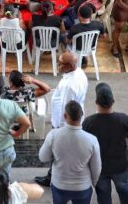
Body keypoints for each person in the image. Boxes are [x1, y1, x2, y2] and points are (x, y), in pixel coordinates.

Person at [33, 52, 88, 189]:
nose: (57, 65)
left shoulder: (69, 86)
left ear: (69, 66)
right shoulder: (78, 72)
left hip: (62, 126)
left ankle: (53, 178)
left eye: (60, 63)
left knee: (57, 153)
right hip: (72, 121)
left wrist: (61, 131)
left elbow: (66, 110)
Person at [82, 83, 128, 204]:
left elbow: (83, 145)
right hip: (120, 166)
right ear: (113, 101)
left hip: (98, 167)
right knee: (124, 188)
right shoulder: (124, 119)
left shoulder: (88, 122)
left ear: (96, 101)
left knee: (103, 195)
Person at [38, 100, 101, 204]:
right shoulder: (92, 139)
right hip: (83, 186)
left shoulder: (53, 135)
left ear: (65, 115)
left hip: (59, 184)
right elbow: (97, 167)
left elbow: (43, 157)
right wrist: (93, 183)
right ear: (82, 115)